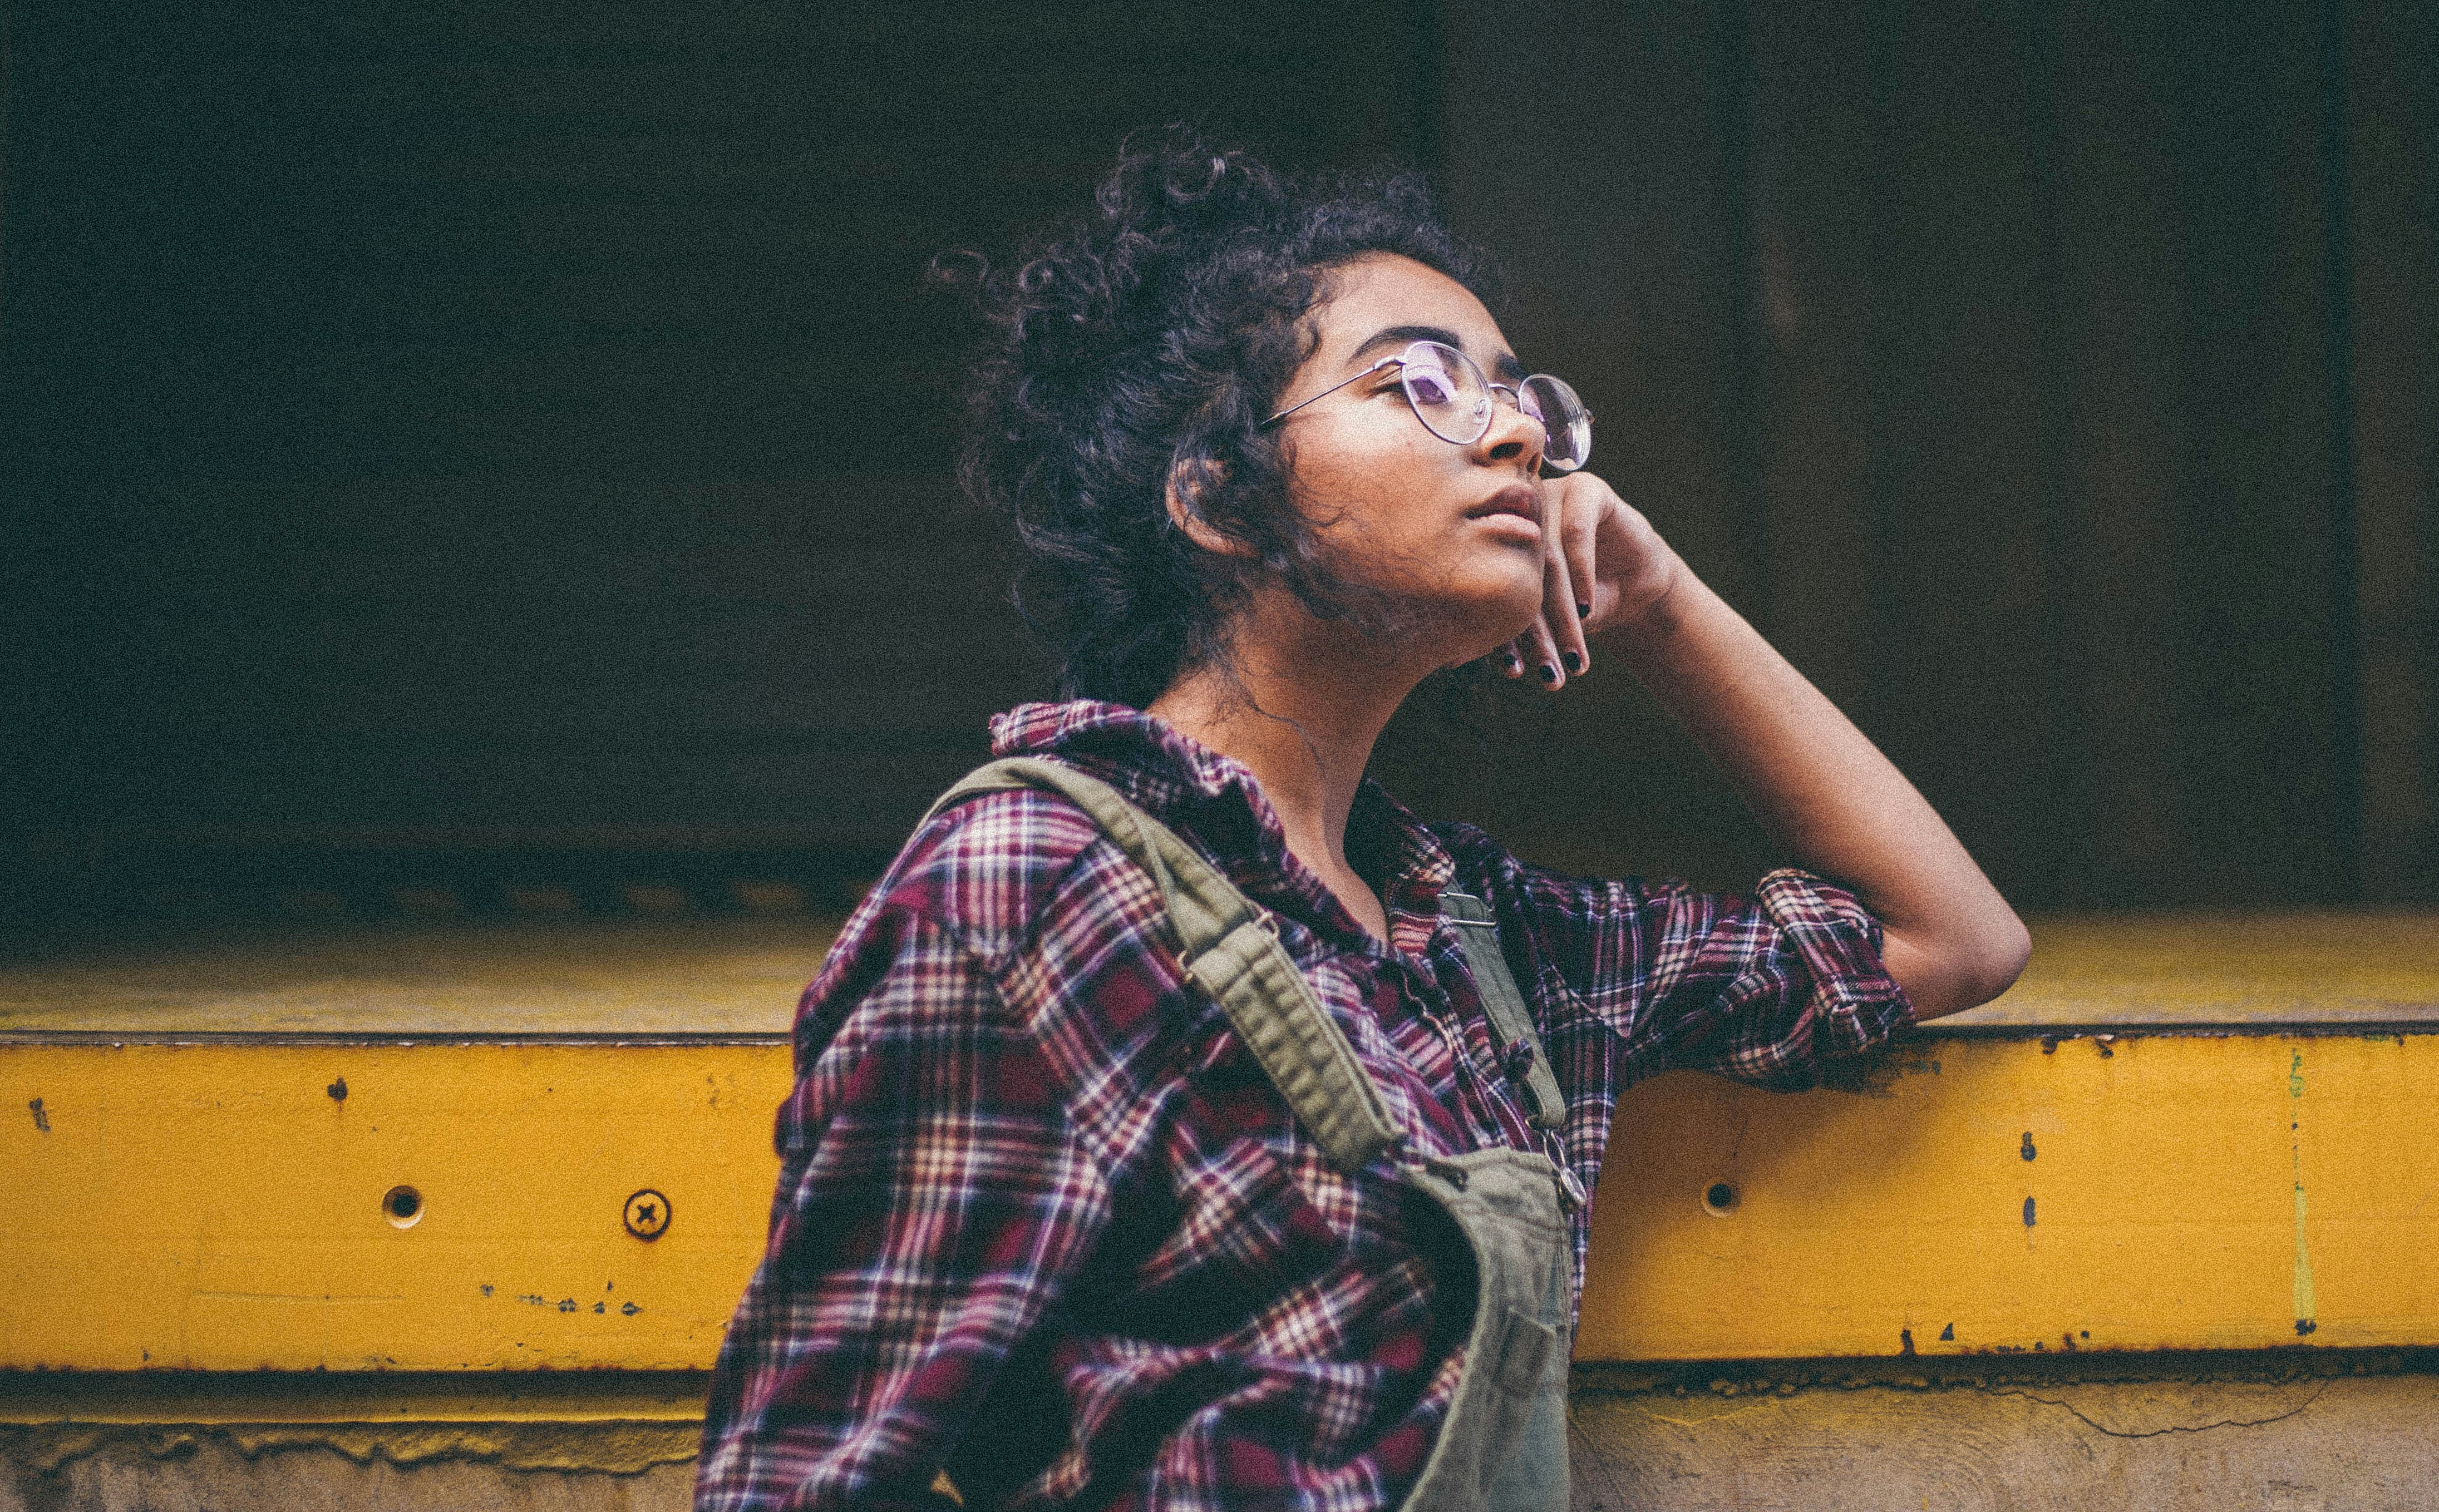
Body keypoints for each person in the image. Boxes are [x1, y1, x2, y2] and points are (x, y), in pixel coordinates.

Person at [694, 134, 2029, 1512]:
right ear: (1214, 495)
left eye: (1520, 398)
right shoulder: (1035, 890)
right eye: (1423, 385)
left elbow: (1949, 937)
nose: (1516, 434)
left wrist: (1669, 606)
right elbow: (798, 1484)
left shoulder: (1479, 943)